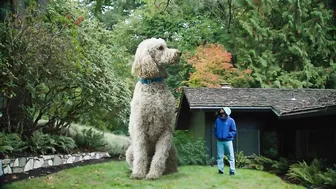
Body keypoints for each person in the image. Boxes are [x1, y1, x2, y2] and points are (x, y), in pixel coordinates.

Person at [213, 107, 237, 175]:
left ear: (226, 113)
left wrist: (228, 135)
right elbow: (215, 129)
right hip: (219, 141)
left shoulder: (231, 121)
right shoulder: (217, 120)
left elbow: (233, 131)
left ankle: (232, 171)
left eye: (223, 113)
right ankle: (220, 170)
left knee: (231, 156)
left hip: (228, 141)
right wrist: (217, 135)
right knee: (219, 156)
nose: (222, 114)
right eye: (221, 113)